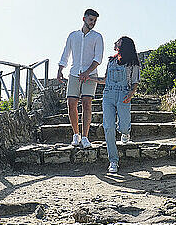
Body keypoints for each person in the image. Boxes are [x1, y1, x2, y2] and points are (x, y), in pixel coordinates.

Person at [57, 9, 104, 148]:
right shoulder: (73, 36)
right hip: (74, 73)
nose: (93, 23)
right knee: (71, 103)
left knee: (86, 103)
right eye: (91, 20)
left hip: (90, 75)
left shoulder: (97, 37)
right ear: (84, 19)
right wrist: (60, 70)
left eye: (95, 21)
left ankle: (85, 137)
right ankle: (76, 134)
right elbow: (66, 53)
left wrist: (87, 73)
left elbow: (98, 58)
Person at [100, 36, 140, 173]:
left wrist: (131, 94)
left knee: (123, 126)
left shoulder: (133, 63)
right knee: (109, 127)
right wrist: (89, 78)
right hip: (108, 95)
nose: (115, 43)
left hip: (124, 95)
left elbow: (135, 81)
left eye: (118, 41)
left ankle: (126, 132)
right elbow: (105, 80)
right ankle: (113, 161)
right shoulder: (111, 61)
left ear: (124, 45)